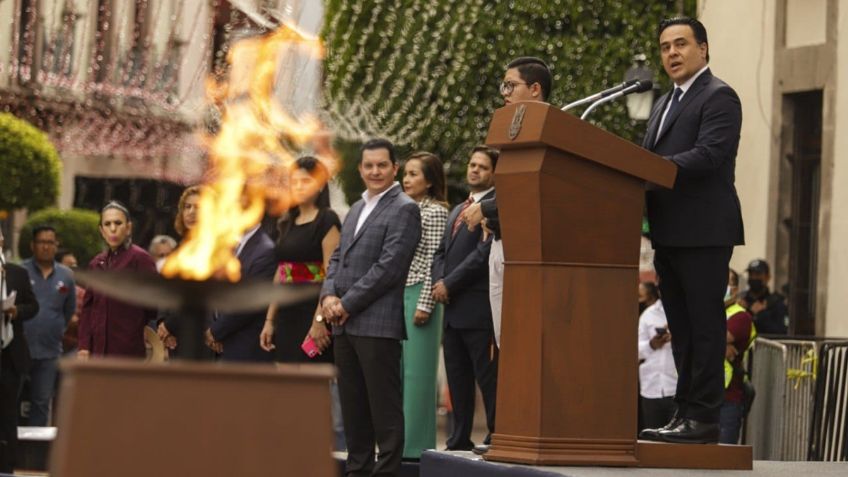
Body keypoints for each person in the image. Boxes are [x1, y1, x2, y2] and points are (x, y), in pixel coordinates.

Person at [639, 17, 744, 444]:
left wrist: (651, 171)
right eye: (665, 47)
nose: (672, 54)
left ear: (703, 48)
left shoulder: (719, 97)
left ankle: (704, 417)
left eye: (681, 44)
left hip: (703, 231)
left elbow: (710, 154)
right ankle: (684, 412)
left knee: (703, 325)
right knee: (681, 328)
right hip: (668, 232)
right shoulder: (664, 103)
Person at [320, 138, 421, 476]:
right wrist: (329, 298)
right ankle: (357, 471)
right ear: (360, 169)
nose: (375, 171)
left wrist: (346, 303)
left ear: (395, 168)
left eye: (382, 165)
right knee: (354, 411)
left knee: (385, 413)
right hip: (343, 325)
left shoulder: (405, 208)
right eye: (368, 166)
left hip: (377, 325)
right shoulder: (356, 208)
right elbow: (336, 259)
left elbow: (389, 268)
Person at [462, 56, 552, 347]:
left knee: (523, 341)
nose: (504, 93)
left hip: (531, 254)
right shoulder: (513, 135)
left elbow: (533, 189)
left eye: (511, 86)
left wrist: (486, 208)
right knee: (505, 341)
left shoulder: (552, 131)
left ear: (535, 89)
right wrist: (491, 215)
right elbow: (510, 189)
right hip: (501, 245)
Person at [432, 146, 497, 453]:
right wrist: (437, 283)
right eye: (472, 164)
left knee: (487, 375)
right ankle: (459, 437)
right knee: (457, 378)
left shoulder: (495, 209)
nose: (475, 170)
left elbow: (483, 255)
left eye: (483, 167)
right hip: (451, 308)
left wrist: (450, 283)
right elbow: (441, 252)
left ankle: (497, 433)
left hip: (478, 307)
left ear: (494, 174)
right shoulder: (458, 210)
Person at [260, 156, 340, 365]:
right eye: (294, 182)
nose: (298, 187)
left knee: (311, 386)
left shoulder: (327, 220)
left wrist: (319, 321)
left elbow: (331, 274)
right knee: (286, 385)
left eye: (305, 181)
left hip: (314, 312)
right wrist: (269, 320)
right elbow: (281, 272)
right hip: (286, 314)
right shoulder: (287, 221)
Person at [399, 151, 449, 459]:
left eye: (414, 174)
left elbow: (435, 261)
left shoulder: (435, 212)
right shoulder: (401, 208)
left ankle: (416, 449)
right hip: (396, 293)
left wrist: (426, 304)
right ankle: (398, 444)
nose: (406, 179)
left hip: (421, 292)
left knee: (418, 375)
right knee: (399, 372)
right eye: (405, 173)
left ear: (430, 181)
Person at [78, 201, 158, 358]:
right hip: (97, 351)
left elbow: (154, 304)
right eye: (107, 224)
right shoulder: (96, 263)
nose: (113, 229)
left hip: (127, 349)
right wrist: (84, 346)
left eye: (118, 223)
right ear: (101, 231)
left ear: (128, 228)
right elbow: (87, 309)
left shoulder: (140, 259)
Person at [21, 225, 76, 426]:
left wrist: (56, 327)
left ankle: (36, 454)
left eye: (50, 242)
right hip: (20, 349)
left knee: (42, 402)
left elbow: (69, 310)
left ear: (56, 245)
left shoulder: (66, 276)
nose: (46, 247)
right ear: (32, 245)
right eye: (41, 242)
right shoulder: (20, 271)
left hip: (50, 351)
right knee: (11, 400)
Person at [0, 228, 39, 472]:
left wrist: (16, 311)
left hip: (10, 353)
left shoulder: (17, 273)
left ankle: (7, 464)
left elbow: (33, 305)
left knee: (8, 413)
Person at [157, 186, 202, 353]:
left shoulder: (211, 251)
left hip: (196, 334)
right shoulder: (179, 248)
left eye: (198, 207)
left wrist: (170, 325)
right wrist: (162, 322)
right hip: (173, 334)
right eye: (187, 206)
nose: (191, 212)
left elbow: (196, 294)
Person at [721, 269, 756, 444]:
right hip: (700, 397)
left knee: (723, 459)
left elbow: (695, 335)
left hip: (727, 398)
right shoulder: (706, 312)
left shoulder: (740, 316)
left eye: (727, 282)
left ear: (735, 289)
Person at [637, 282, 677, 432]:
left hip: (676, 388)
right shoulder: (648, 315)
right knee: (652, 441)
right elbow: (636, 350)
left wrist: (678, 336)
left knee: (676, 443)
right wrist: (652, 344)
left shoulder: (685, 312)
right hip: (651, 388)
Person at [740, 259, 787, 335]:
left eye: (758, 274)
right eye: (751, 274)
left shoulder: (776, 302)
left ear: (767, 277)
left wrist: (761, 314)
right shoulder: (741, 300)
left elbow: (782, 331)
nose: (754, 278)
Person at [56, 249, 84, 354]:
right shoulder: (48, 290)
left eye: (75, 264)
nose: (74, 268)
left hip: (75, 348)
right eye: (69, 265)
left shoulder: (83, 294)